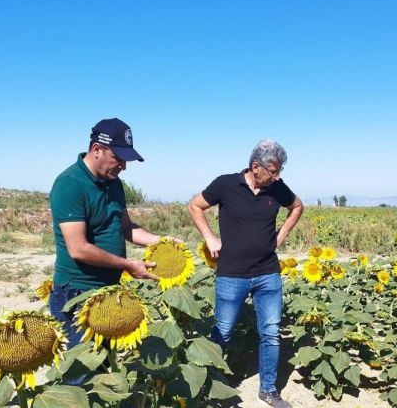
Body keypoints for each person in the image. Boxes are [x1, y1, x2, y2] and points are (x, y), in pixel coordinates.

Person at [187, 139, 304, 408]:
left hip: (267, 273)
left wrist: (281, 235)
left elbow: (297, 207)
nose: (278, 176)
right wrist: (210, 238)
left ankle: (268, 390)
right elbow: (195, 206)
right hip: (231, 274)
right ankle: (210, 386)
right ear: (255, 167)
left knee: (271, 332)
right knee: (223, 332)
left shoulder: (277, 188)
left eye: (279, 171)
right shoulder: (226, 184)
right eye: (273, 171)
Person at [48, 117, 162, 348]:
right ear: (96, 149)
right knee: (80, 370)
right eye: (118, 158)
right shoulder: (70, 184)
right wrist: (128, 265)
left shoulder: (113, 183)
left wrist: (161, 241)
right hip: (77, 291)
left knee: (104, 362)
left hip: (109, 288)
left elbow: (126, 228)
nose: (123, 166)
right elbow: (78, 249)